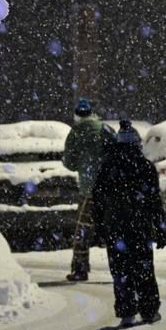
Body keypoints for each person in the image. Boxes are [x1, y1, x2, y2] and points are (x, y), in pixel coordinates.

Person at [90, 121, 165, 327]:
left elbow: (97, 200)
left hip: (115, 228)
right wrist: (160, 227)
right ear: (137, 144)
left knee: (120, 270)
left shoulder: (107, 167)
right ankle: (149, 310)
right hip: (140, 227)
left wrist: (99, 228)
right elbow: (154, 201)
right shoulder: (145, 167)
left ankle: (127, 310)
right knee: (144, 269)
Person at [63, 98, 114, 281]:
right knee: (115, 229)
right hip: (110, 189)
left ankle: (80, 269)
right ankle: (124, 268)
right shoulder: (106, 129)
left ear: (76, 115)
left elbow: (69, 163)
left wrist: (83, 164)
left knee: (82, 231)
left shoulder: (75, 133)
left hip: (90, 191)